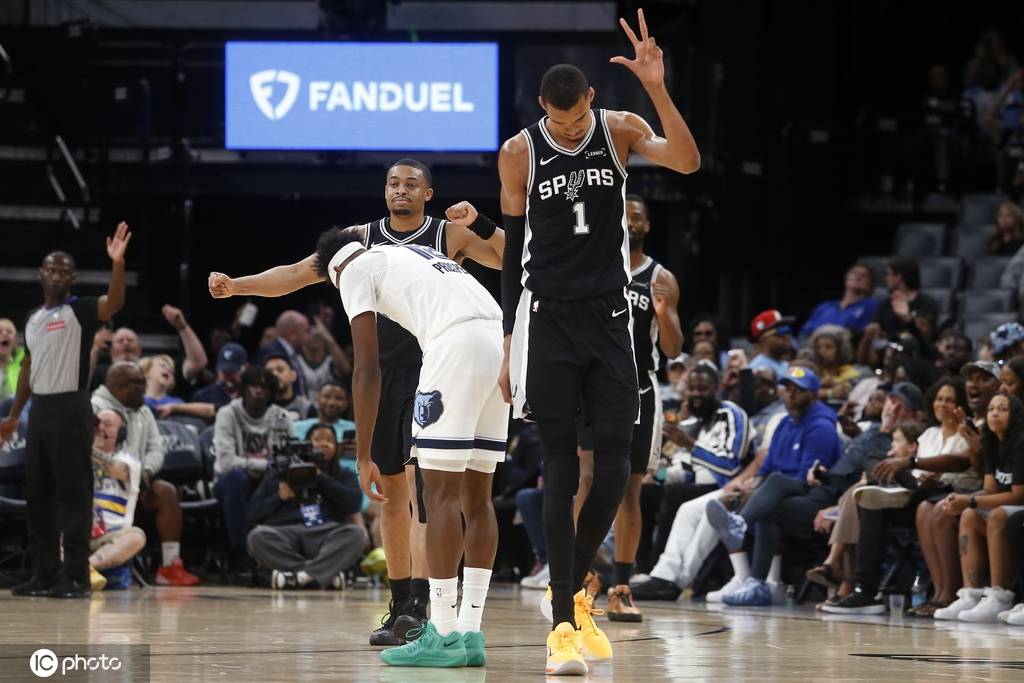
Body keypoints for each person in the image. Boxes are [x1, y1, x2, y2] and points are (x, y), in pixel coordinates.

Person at [208, 158, 505, 646]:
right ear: (383, 190)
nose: (401, 190)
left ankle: (427, 608)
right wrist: (240, 286)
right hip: (388, 374)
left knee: (425, 493)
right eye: (393, 183)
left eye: (411, 184)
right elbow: (296, 273)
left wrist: (481, 223)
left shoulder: (444, 234)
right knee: (390, 495)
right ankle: (402, 602)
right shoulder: (356, 240)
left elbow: (509, 258)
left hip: (435, 365)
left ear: (428, 194)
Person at [498, 9, 700, 672]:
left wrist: (657, 88)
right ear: (543, 110)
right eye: (559, 122)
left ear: (591, 98)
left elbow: (688, 161)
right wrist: (509, 337)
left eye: (577, 117)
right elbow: (514, 251)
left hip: (612, 317)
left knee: (614, 473)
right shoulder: (520, 151)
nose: (570, 129)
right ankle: (563, 620)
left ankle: (574, 592)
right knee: (561, 468)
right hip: (549, 317)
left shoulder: (618, 128)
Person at [315, 227, 507, 669]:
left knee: (437, 497)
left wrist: (363, 455)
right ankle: (470, 632)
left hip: (453, 347)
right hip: (499, 343)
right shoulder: (413, 254)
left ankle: (442, 632)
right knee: (478, 499)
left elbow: (367, 369)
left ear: (333, 271)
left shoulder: (353, 270)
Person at [2, 222, 130, 599]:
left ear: (72, 278)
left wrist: (117, 263)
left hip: (72, 407)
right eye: (51, 270)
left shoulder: (81, 309)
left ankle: (76, 577)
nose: (57, 275)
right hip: (39, 411)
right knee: (38, 495)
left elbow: (114, 303)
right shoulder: (32, 318)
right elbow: (28, 367)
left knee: (73, 494)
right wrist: (15, 415)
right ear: (40, 274)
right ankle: (44, 575)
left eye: (64, 271)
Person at [704, 366, 853, 606]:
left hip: (819, 498)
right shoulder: (784, 423)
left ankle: (742, 527)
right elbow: (765, 469)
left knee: (773, 488)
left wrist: (762, 492)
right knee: (747, 503)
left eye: (799, 390)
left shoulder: (822, 426)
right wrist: (750, 489)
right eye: (788, 388)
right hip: (783, 496)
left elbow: (809, 480)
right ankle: (752, 581)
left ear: (813, 395)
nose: (791, 394)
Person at [605, 193, 684, 622]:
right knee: (585, 481)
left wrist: (664, 313)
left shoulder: (661, 277)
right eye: (623, 215)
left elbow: (673, 349)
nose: (629, 222)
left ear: (647, 226)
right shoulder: (596, 264)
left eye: (636, 217)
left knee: (629, 490)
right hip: (596, 388)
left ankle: (621, 585)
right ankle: (580, 579)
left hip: (639, 390)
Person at [628, 364, 751, 602]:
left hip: (728, 485)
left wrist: (691, 445)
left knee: (677, 495)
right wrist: (658, 476)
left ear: (716, 389)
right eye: (691, 388)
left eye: (702, 388)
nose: (695, 394)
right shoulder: (695, 422)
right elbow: (686, 469)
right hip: (695, 486)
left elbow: (731, 464)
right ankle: (646, 571)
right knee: (645, 491)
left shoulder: (731, 414)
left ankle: (663, 574)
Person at [92, 361, 199, 586]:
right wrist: (125, 473)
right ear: (119, 386)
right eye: (138, 383)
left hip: (137, 481)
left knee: (166, 492)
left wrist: (145, 473)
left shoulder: (144, 411)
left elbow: (155, 449)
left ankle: (170, 566)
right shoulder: (95, 407)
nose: (145, 387)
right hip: (99, 483)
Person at [933, 393, 1024, 621]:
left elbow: (1018, 496)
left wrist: (972, 500)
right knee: (969, 515)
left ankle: (1000, 596)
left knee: (997, 515)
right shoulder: (991, 443)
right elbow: (990, 490)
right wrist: (962, 499)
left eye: (1002, 409)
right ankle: (971, 595)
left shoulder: (1020, 444)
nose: (994, 413)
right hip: (1009, 507)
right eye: (991, 408)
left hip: (1018, 506)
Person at [246, 423, 366, 590]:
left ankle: (296, 577)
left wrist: (320, 477)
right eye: (317, 439)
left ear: (336, 447)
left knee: (356, 534)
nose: (323, 444)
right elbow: (252, 513)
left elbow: (353, 504)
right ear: (307, 445)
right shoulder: (281, 473)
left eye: (329, 440)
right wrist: (278, 497)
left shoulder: (343, 474)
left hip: (325, 533)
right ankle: (320, 575)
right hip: (285, 533)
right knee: (257, 537)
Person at [213, 366, 293, 577]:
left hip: (268, 480)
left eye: (264, 387)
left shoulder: (282, 416)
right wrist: (266, 465)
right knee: (236, 479)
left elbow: (286, 460)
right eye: (253, 386)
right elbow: (226, 462)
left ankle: (281, 555)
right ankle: (240, 553)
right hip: (229, 481)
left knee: (287, 483)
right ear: (244, 389)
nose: (258, 391)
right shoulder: (227, 413)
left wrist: (268, 468)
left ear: (271, 392)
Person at [88, 409, 146, 592]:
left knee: (136, 536)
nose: (100, 427)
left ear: (120, 434)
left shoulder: (128, 461)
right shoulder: (77, 457)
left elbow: (116, 470)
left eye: (107, 424)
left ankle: (85, 567)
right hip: (77, 531)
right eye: (97, 423)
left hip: (109, 536)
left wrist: (83, 445)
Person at [798, 264, 879, 339]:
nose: (858, 277)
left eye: (864, 275)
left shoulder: (872, 306)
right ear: (846, 278)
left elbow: (866, 334)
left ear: (870, 285)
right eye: (854, 273)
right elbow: (804, 333)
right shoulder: (825, 306)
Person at [257, 311, 312, 397]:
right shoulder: (272, 353)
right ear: (292, 335)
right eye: (306, 332)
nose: (310, 337)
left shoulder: (292, 354)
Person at [187, 342, 248, 418]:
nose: (228, 376)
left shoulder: (250, 395)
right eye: (224, 371)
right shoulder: (202, 396)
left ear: (244, 368)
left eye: (232, 371)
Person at [808, 325, 860, 408]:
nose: (822, 351)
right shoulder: (809, 370)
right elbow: (803, 394)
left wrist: (833, 383)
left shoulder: (849, 371)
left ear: (840, 349)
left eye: (829, 347)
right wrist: (830, 393)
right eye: (819, 347)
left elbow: (847, 391)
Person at [263, 354, 314, 421]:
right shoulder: (258, 407)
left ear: (293, 375)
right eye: (269, 372)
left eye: (280, 370)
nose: (275, 374)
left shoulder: (307, 408)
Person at [748, 310, 795, 378]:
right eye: (780, 333)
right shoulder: (757, 370)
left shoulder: (786, 365)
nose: (786, 337)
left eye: (787, 331)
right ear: (763, 340)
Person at [0, 318, 25, 402]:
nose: (5, 333)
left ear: (15, 342)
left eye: (9, 332)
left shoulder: (25, 365)